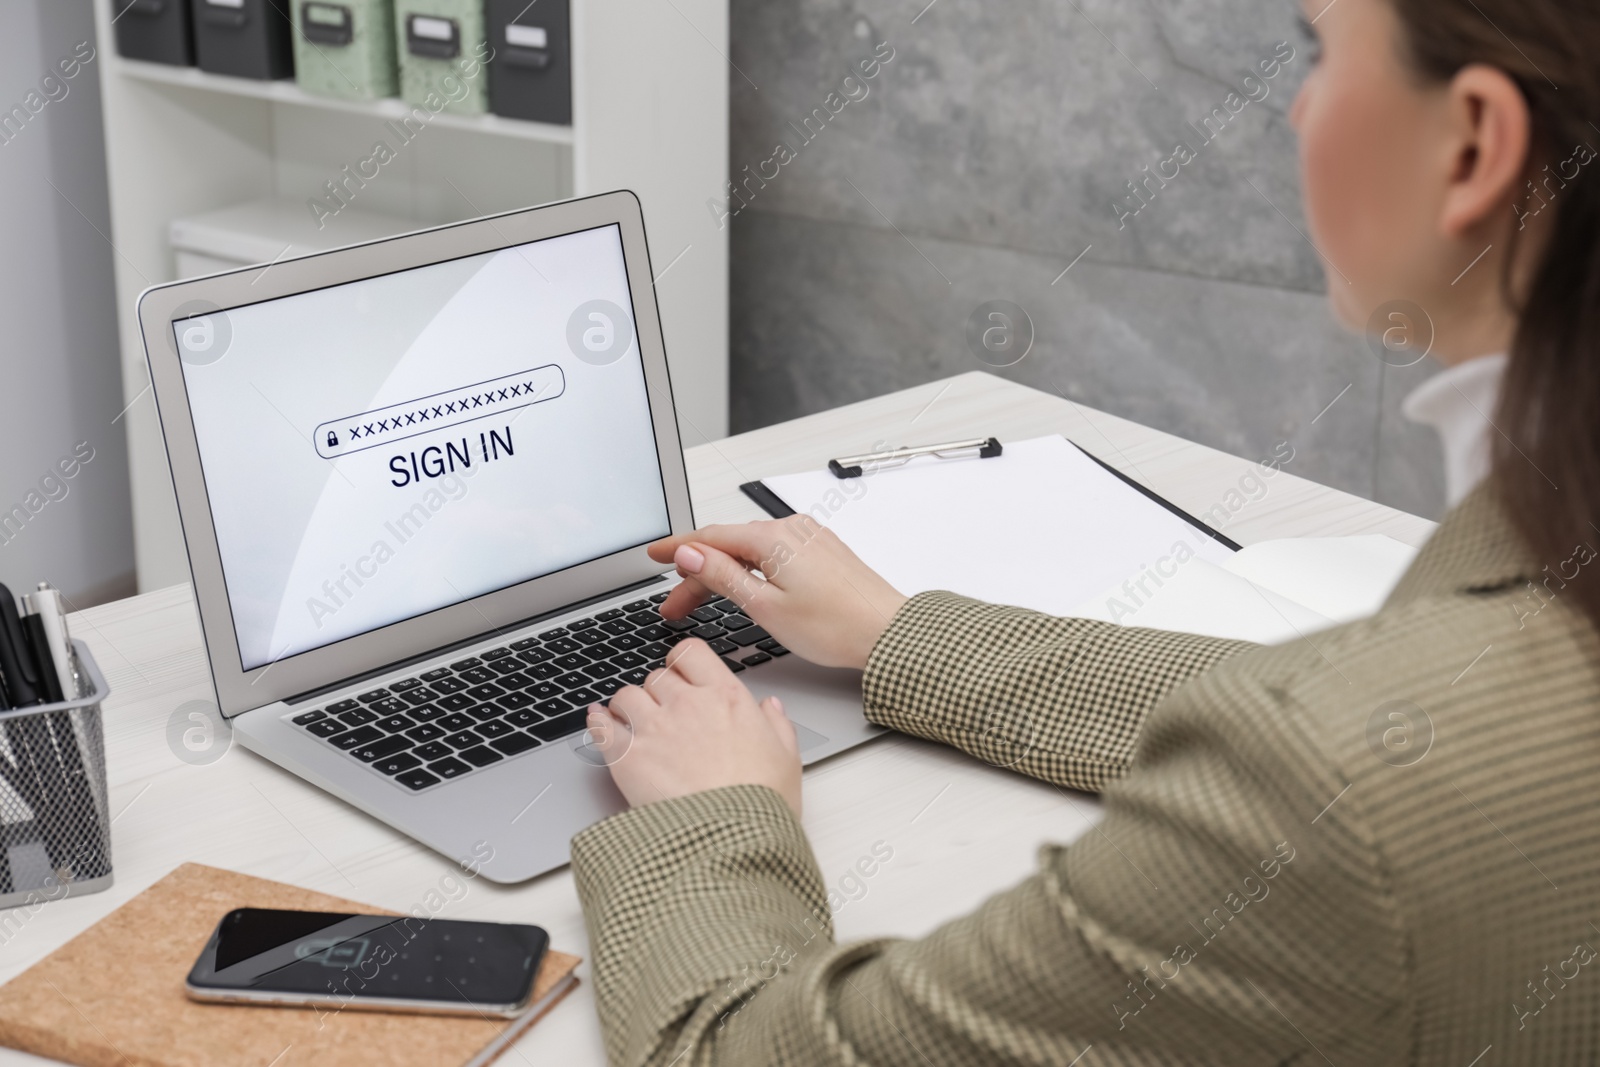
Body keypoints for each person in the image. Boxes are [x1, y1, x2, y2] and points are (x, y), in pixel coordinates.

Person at [569, 0, 1600, 1061]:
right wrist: (898, 634)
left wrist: (719, 810)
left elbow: (735, 1052)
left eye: (1318, 51)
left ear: (1473, 144)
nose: (1294, 109)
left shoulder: (1335, 794)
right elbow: (1370, 717)